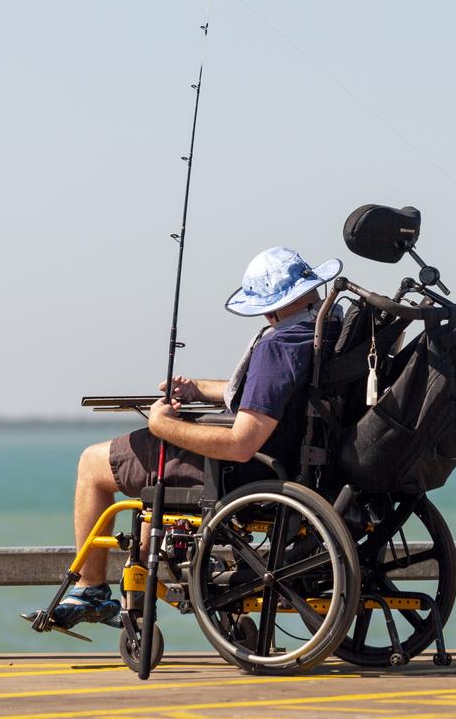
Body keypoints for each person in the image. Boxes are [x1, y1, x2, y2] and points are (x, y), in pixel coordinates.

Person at [28, 246, 343, 630]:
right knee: (151, 493)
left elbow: (242, 443)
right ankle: (138, 595)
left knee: (92, 464)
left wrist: (164, 426)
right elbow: (269, 394)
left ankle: (93, 589)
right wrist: (197, 389)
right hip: (299, 460)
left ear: (270, 306)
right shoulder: (321, 332)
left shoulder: (278, 345)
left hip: (239, 471)